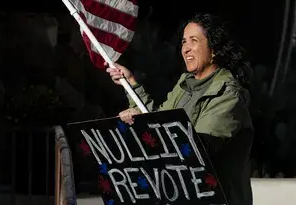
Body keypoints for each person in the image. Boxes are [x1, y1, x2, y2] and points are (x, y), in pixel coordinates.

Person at [106, 13, 253, 205]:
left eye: (194, 41)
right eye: (184, 41)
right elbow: (159, 120)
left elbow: (198, 148)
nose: (186, 48)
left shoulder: (227, 93)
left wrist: (148, 128)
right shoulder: (185, 85)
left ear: (214, 49)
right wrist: (131, 85)